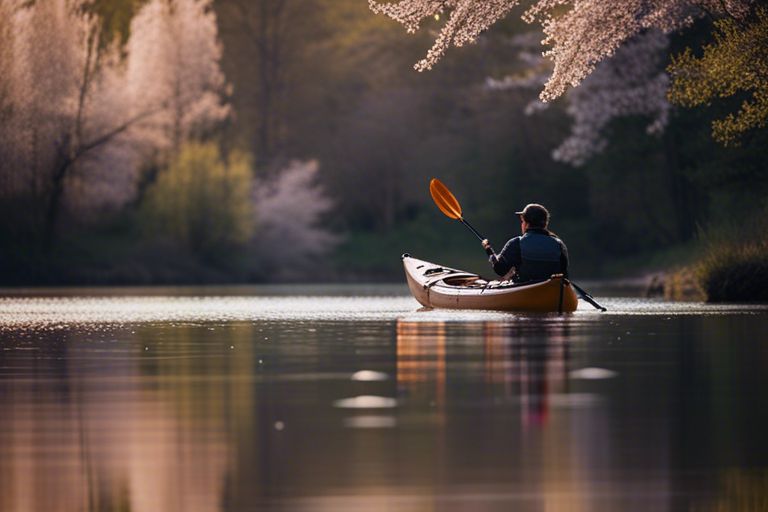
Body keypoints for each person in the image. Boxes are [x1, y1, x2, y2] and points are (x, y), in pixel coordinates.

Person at [481, 203, 569, 282]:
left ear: (527, 224)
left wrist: (489, 251)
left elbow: (500, 270)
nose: (522, 224)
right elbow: (564, 274)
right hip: (552, 289)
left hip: (525, 289)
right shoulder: (559, 244)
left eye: (522, 221)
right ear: (545, 224)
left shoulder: (517, 243)